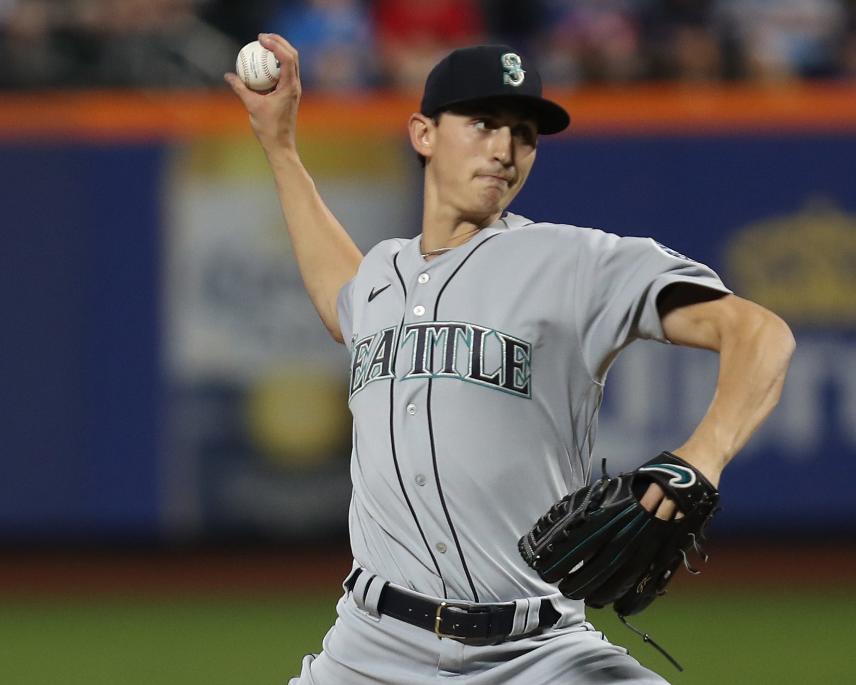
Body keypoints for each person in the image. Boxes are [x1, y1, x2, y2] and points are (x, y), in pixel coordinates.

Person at [225, 34, 795, 685]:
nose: (505, 149)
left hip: (540, 652)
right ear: (424, 134)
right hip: (370, 649)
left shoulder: (572, 261)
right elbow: (339, 297)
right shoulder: (382, 277)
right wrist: (279, 143)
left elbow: (760, 333)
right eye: (484, 123)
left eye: (524, 133)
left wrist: (703, 458)